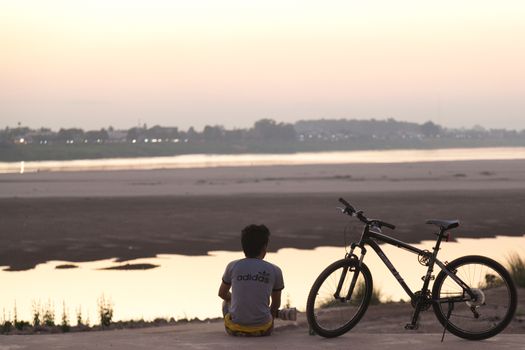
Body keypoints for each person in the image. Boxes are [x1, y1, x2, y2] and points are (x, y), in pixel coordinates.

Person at [218, 224, 285, 336]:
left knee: (225, 302)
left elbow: (222, 293)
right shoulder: (275, 270)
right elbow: (276, 304)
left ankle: (239, 323)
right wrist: (270, 317)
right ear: (264, 248)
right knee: (267, 308)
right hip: (264, 330)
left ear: (243, 247)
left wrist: (234, 299)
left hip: (233, 330)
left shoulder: (233, 266)